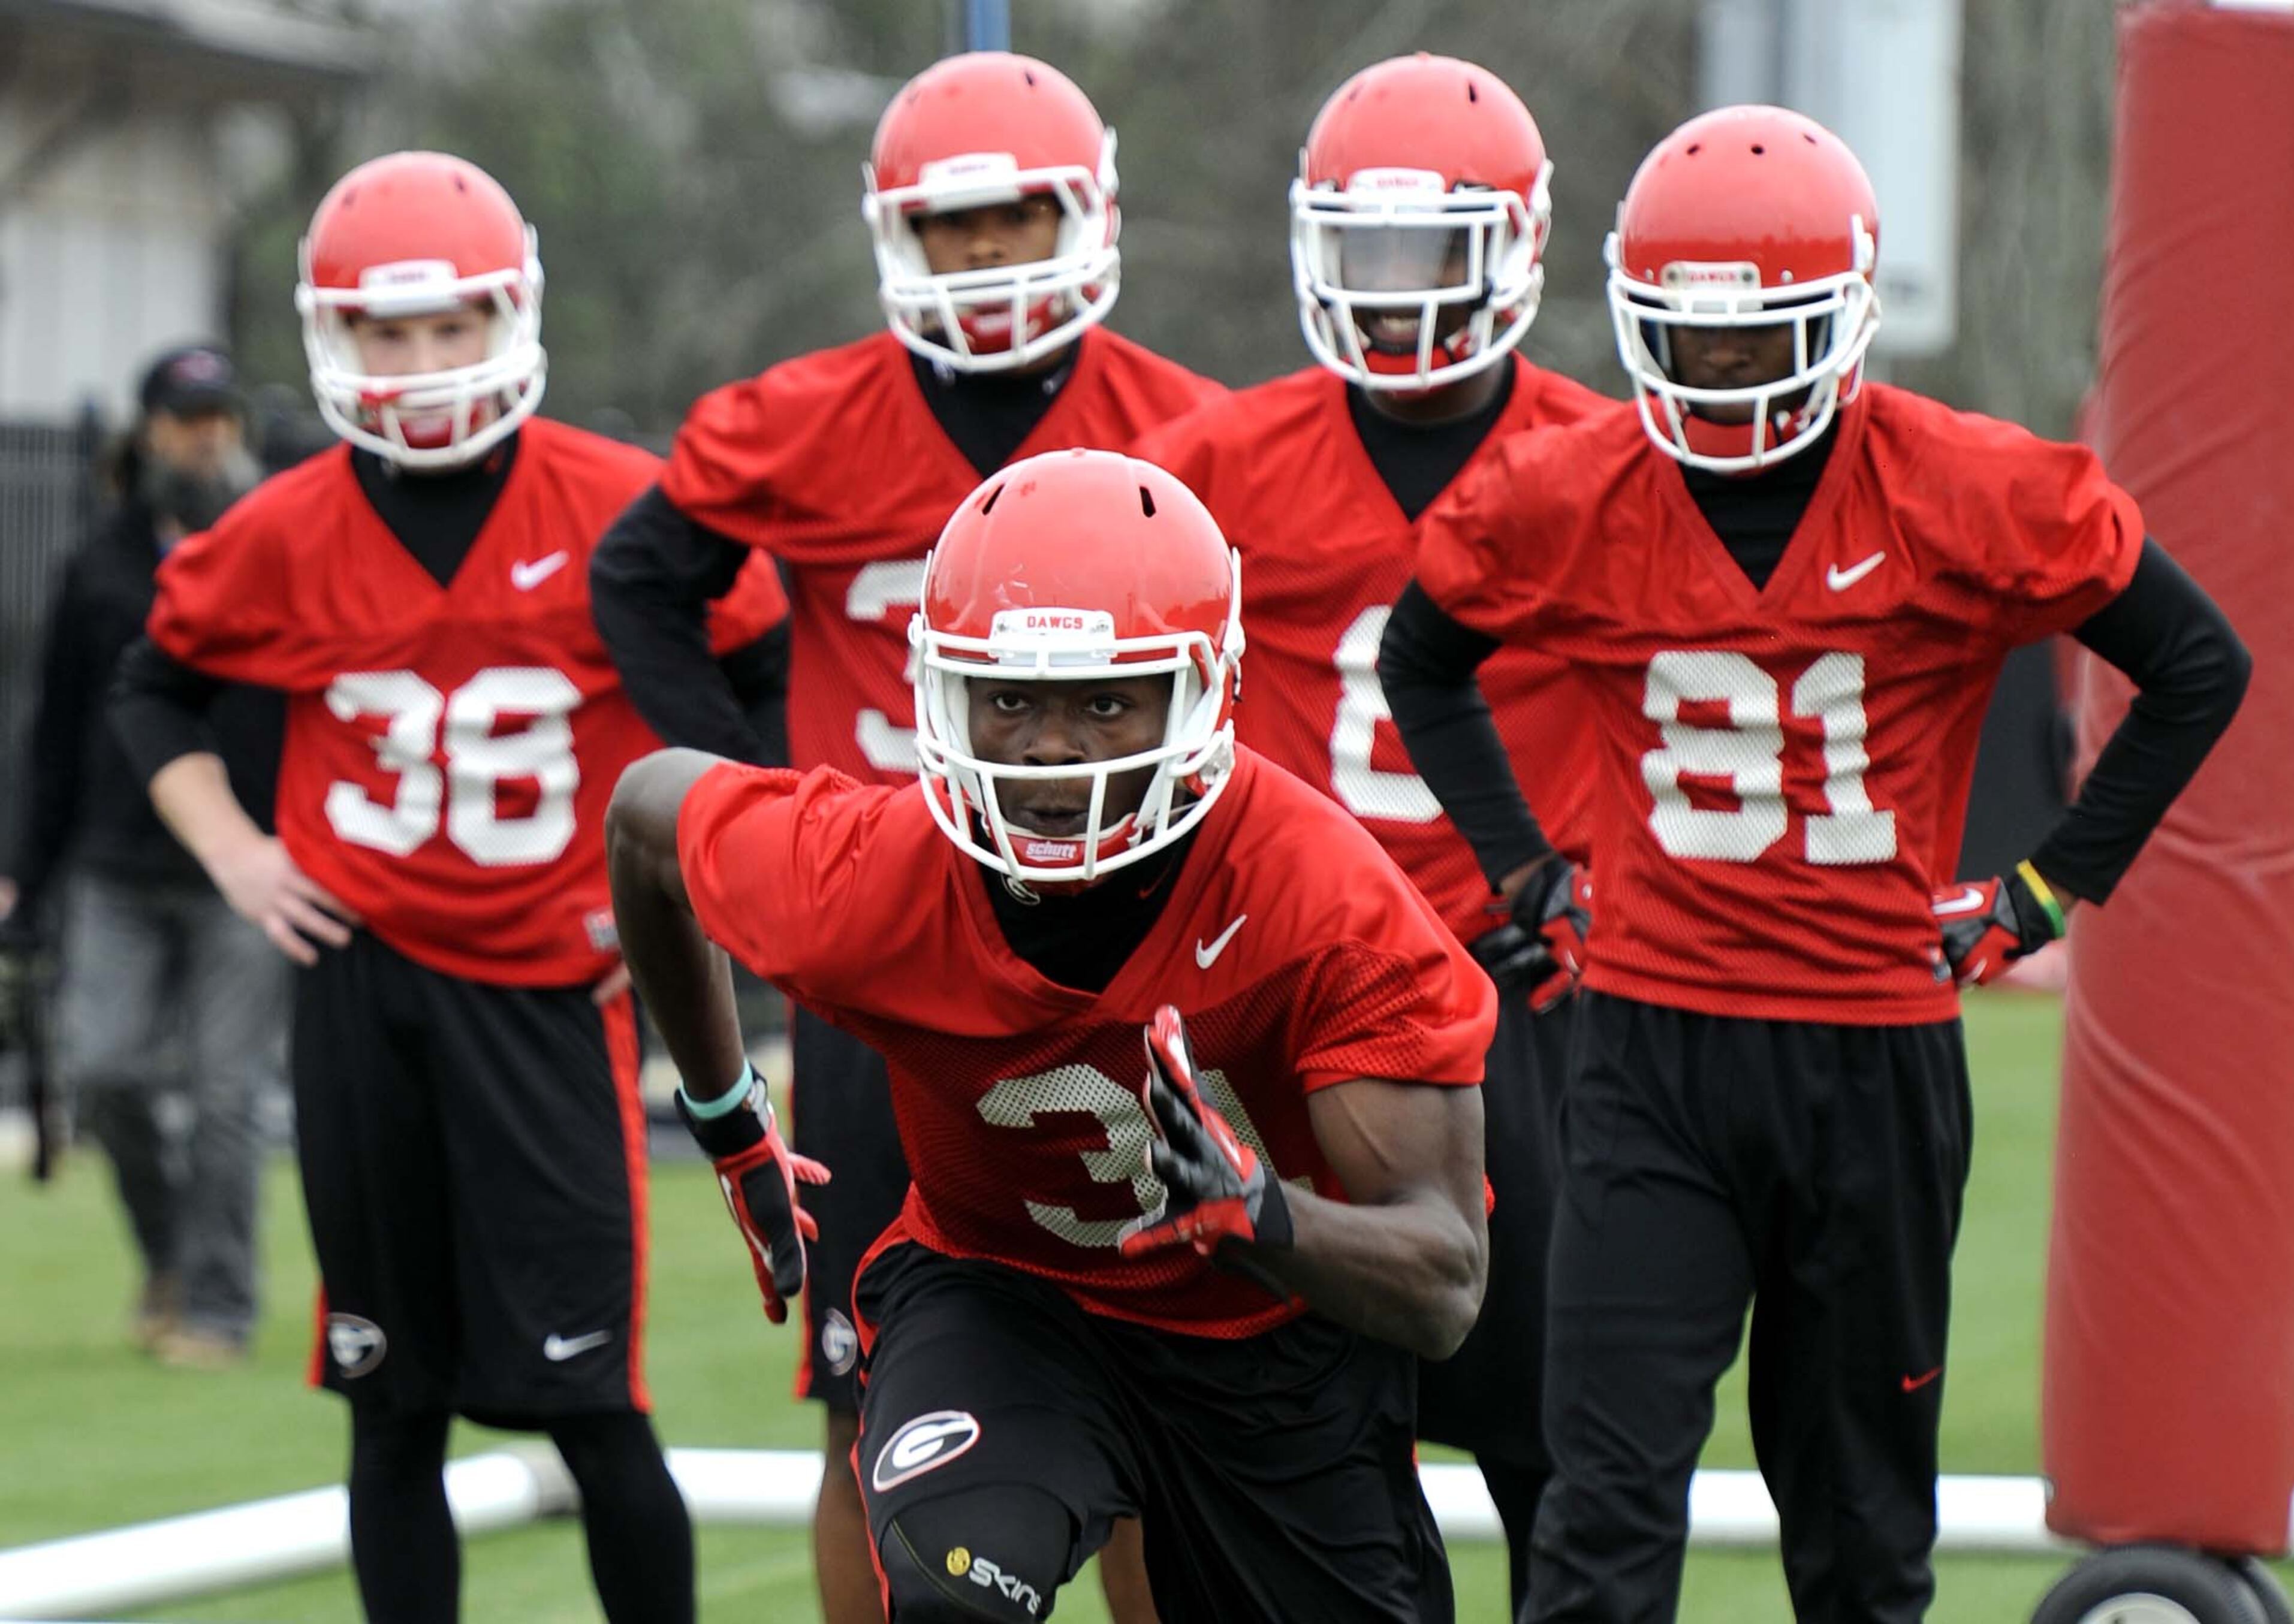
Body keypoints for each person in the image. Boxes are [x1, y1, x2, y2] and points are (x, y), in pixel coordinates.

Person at [1379, 105, 2251, 1624]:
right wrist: (1520, 868)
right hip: (1649, 1053)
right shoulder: (1566, 491)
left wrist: (2052, 887)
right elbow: (1423, 658)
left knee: (1858, 1533)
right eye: (1687, 339)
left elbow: (2198, 663)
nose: (1719, 374)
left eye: (1754, 338)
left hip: (1872, 1061)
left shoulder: (1966, 486)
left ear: (1840, 314)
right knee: (1603, 1521)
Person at [608, 446, 1496, 1623]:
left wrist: (1272, 1217)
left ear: (1200, 692)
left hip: (1266, 1340)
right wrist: (727, 1118)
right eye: (1012, 697)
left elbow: (1444, 1279)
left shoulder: (1321, 900)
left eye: (1105, 698)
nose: (1048, 750)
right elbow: (645, 818)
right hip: (1005, 1300)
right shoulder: (875, 875)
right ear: (944, 690)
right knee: (954, 1594)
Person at [587, 50, 1222, 1623]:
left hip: (1112, 959)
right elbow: (641, 574)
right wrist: (751, 787)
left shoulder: (1190, 432)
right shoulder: (805, 419)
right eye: (957, 229)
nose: (992, 257)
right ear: (896, 239)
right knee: (869, 1402)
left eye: (1019, 220)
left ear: (1090, 217)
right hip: (895, 956)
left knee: (1164, 1390)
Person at [109, 151, 783, 1624]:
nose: (419, 364)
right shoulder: (284, 524)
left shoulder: (625, 503)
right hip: (362, 986)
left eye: (452, 325)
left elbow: (762, 681)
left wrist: (692, 896)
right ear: (327, 338)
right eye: (383, 332)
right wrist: (235, 849)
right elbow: (152, 689)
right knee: (387, 1398)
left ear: (516, 315)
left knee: (595, 1404)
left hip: (551, 987)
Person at [1132, 53, 1605, 1614]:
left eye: (1432, 250)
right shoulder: (1212, 461)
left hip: (1515, 990)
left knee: (1557, 1427)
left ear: (1517, 247)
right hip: (1287, 997)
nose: (1399, 292)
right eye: (1369, 249)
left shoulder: (1605, 457)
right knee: (1312, 1430)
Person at [1, 343, 283, 1366]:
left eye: (222, 415)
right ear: (151, 431)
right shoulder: (98, 564)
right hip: (117, 864)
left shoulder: (277, 547)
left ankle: (218, 1306)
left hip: (242, 867)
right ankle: (169, 1254)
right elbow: (58, 726)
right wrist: (25, 876)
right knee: (107, 1072)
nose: (208, 433)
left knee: (224, 1096)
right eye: (188, 416)